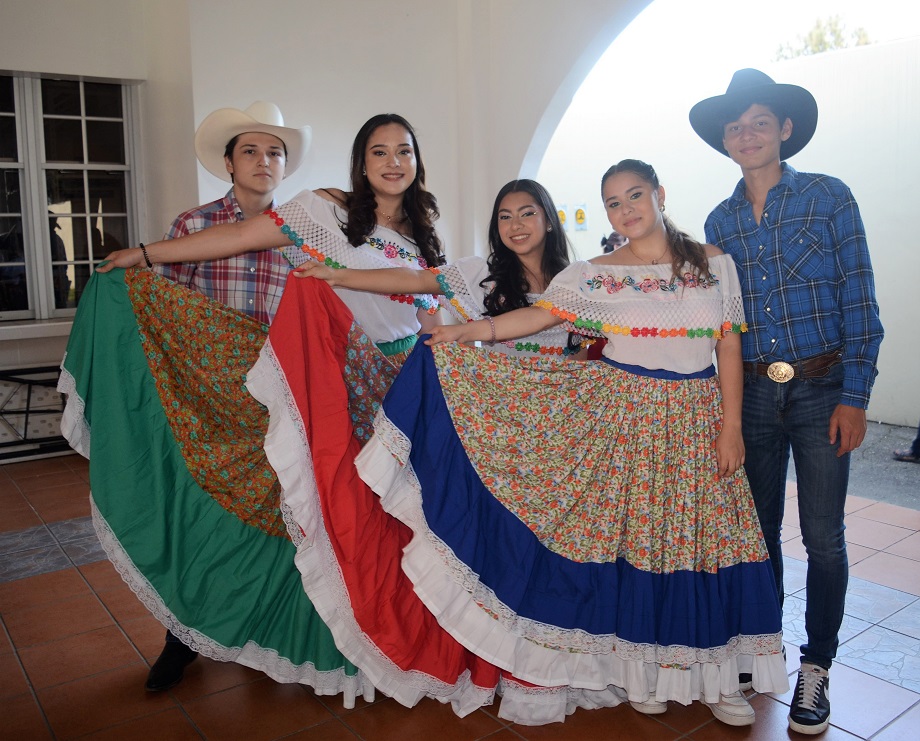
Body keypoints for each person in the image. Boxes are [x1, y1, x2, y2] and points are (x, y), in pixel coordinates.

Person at [63, 114, 518, 716]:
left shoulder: (424, 235)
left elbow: (434, 315)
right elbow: (241, 237)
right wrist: (145, 255)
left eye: (403, 151)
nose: (391, 162)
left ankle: (376, 638)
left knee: (382, 522)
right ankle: (203, 629)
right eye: (377, 152)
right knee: (313, 507)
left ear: (417, 160)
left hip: (403, 391)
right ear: (359, 164)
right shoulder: (326, 213)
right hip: (332, 383)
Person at [355, 159, 789, 727]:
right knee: (643, 544)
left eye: (635, 195)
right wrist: (467, 331)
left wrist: (731, 427)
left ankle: (718, 679)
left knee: (704, 542)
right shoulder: (593, 274)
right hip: (625, 417)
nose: (626, 209)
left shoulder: (713, 265)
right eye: (613, 202)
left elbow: (728, 346)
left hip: (696, 419)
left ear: (660, 193)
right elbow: (535, 319)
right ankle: (645, 671)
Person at [689, 69, 884, 735]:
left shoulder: (831, 199)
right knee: (758, 530)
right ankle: (762, 646)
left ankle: (817, 665)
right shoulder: (718, 221)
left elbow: (860, 299)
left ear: (785, 130)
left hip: (822, 388)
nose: (747, 134)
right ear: (725, 140)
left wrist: (855, 395)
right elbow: (717, 323)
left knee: (824, 538)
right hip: (750, 397)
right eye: (735, 127)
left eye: (759, 123)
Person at [143, 101, 310, 692]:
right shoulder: (193, 228)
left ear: (285, 166)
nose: (264, 161)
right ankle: (180, 639)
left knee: (280, 520)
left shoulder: (304, 233)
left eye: (274, 152)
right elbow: (161, 311)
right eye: (251, 150)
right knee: (203, 520)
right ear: (228, 162)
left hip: (279, 403)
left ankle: (267, 635)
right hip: (210, 407)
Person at [295, 178, 590, 358]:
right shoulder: (481, 278)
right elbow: (414, 278)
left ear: (549, 221)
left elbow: (581, 358)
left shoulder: (576, 280)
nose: (515, 225)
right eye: (505, 217)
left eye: (527, 213)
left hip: (562, 418)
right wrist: (338, 276)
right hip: (500, 420)